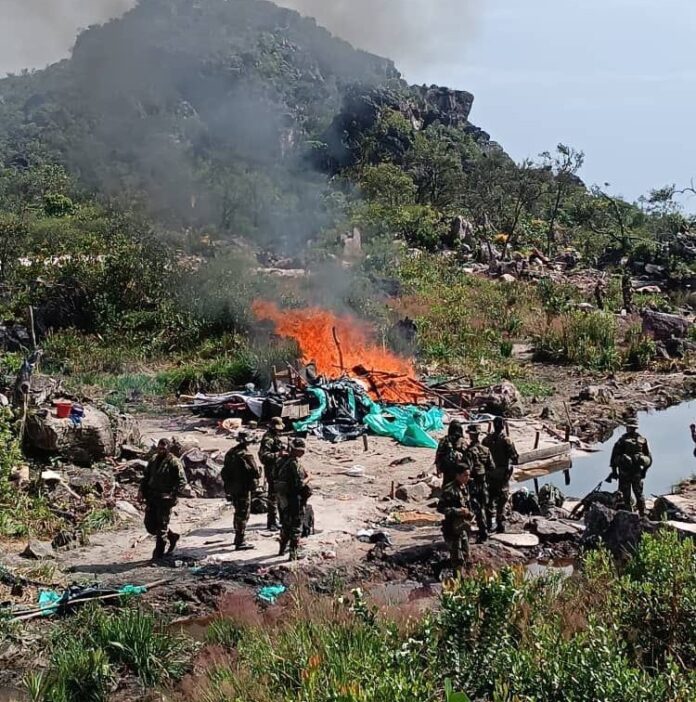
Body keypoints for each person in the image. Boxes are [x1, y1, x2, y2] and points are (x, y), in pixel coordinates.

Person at [139, 438, 188, 561]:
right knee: (150, 525)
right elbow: (146, 476)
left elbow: (182, 481)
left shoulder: (174, 462)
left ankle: (158, 556)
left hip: (165, 499)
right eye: (159, 448)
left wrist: (172, 494)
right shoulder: (154, 459)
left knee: (161, 527)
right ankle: (172, 537)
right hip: (152, 497)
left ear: (168, 448)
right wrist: (141, 491)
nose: (161, 450)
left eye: (164, 448)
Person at [222, 432, 262, 551]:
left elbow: (225, 471)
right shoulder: (246, 455)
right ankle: (240, 541)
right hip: (243, 488)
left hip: (232, 488)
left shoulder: (230, 453)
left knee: (237, 512)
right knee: (243, 514)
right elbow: (255, 472)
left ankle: (237, 537)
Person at [275, 438, 311, 560]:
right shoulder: (294, 464)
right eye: (300, 450)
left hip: (283, 498)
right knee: (296, 525)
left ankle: (281, 549)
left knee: (285, 524)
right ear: (294, 450)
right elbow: (300, 484)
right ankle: (293, 553)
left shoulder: (281, 461)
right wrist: (309, 478)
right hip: (294, 498)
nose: (302, 453)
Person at [609, 419, 653, 516]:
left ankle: (629, 515)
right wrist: (644, 471)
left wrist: (614, 471)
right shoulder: (642, 440)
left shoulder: (622, 440)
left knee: (626, 496)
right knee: (639, 494)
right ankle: (642, 514)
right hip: (637, 472)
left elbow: (614, 457)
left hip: (625, 473)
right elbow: (649, 459)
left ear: (628, 428)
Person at [483, 417, 519, 533]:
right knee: (502, 501)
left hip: (489, 474)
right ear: (503, 426)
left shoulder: (486, 440)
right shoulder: (506, 440)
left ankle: (489, 523)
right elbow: (515, 458)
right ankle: (500, 524)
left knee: (490, 499)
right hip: (502, 475)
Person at [437, 464, 473, 571]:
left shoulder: (464, 487)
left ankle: (466, 580)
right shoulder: (450, 490)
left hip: (463, 527)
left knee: (466, 555)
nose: (468, 478)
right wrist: (458, 511)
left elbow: (467, 504)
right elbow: (441, 508)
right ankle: (457, 580)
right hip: (452, 528)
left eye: (468, 475)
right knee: (457, 559)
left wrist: (469, 514)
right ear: (458, 475)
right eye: (465, 475)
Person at [462, 425, 494, 542]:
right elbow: (491, 466)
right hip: (484, 481)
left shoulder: (469, 452)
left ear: (470, 435)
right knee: (485, 505)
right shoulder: (486, 450)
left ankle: (483, 532)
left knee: (477, 508)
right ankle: (488, 527)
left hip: (474, 482)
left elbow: (466, 469)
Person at [259, 417, 286, 531]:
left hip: (278, 470)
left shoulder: (275, 437)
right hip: (272, 471)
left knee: (278, 496)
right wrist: (278, 454)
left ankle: (276, 519)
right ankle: (272, 522)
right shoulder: (268, 439)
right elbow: (264, 457)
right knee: (273, 498)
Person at [435, 420, 467, 488]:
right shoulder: (462, 441)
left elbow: (438, 454)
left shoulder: (445, 440)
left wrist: (438, 468)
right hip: (459, 469)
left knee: (447, 484)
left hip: (447, 468)